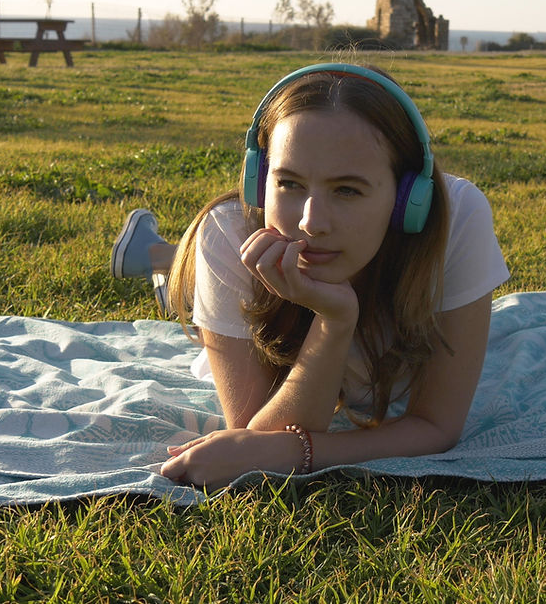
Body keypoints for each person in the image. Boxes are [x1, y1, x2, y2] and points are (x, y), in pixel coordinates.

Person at [111, 63, 509, 488]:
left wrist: (297, 453)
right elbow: (251, 432)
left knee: (187, 279)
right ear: (258, 180)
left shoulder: (458, 217)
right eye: (289, 184)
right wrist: (335, 324)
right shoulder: (228, 233)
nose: (310, 223)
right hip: (228, 260)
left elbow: (436, 425)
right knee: (191, 282)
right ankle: (166, 264)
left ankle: (159, 258)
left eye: (347, 190)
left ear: (407, 198)